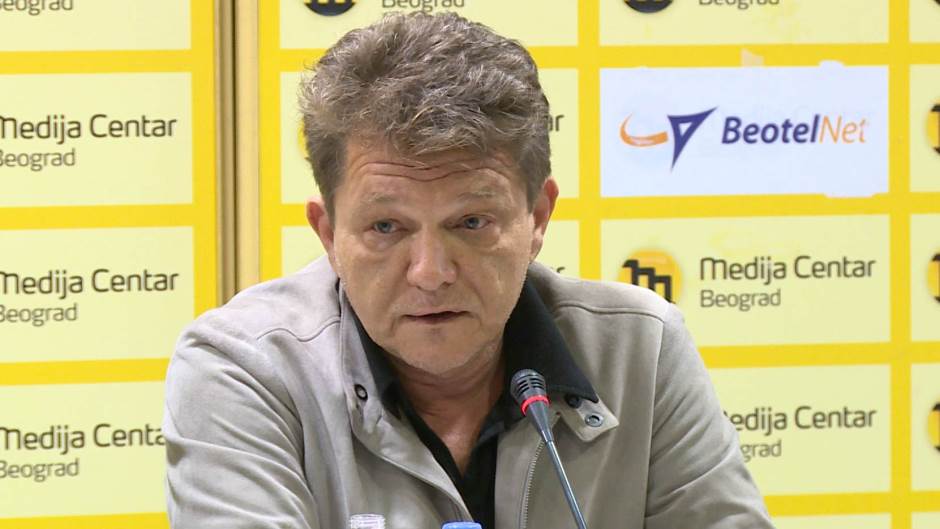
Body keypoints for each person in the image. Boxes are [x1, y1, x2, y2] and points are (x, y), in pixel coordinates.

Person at [163, 12, 775, 529]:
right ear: (328, 234)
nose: (430, 273)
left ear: (537, 218)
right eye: (386, 227)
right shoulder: (245, 369)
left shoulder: (640, 349)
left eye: (472, 222)